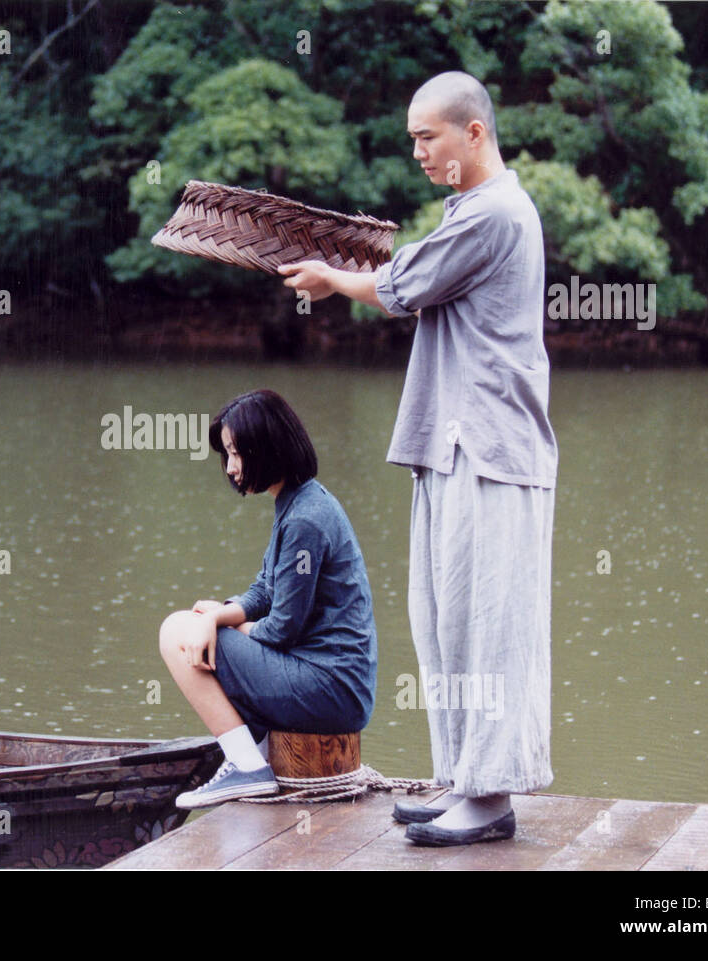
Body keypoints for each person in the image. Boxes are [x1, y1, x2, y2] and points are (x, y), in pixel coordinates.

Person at [277, 70, 558, 845]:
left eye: (428, 137)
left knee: (488, 629)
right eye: (412, 139)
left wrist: (334, 278)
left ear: (473, 133)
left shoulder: (496, 212)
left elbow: (407, 282)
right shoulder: (471, 208)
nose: (418, 152)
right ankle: (470, 784)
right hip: (454, 444)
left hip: (492, 450)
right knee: (444, 622)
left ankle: (489, 794)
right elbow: (420, 271)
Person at [158, 389, 377, 809]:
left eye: (239, 453)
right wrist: (221, 612)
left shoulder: (307, 519)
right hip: (325, 681)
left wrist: (221, 625)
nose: (232, 467)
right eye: (228, 454)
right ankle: (255, 751)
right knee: (197, 623)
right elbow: (265, 589)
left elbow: (282, 629)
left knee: (176, 632)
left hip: (332, 688)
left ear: (271, 447)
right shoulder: (298, 501)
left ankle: (246, 766)